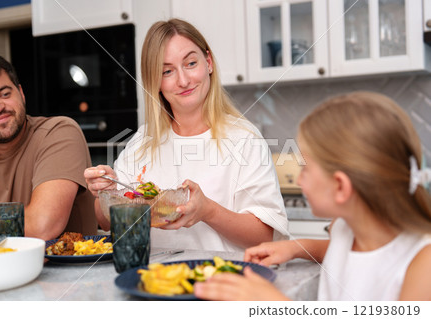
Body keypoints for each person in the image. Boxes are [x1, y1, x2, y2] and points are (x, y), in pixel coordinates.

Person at [194, 91, 431, 301]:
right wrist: (297, 247)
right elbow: (346, 253)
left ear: (340, 187)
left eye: (305, 168)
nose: (298, 180)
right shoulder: (344, 228)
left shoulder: (422, 267)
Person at [84, 18, 289, 252]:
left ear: (208, 62)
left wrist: (208, 211)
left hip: (220, 281)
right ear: (156, 82)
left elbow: (264, 237)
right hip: (152, 282)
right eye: (167, 71)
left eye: (191, 63)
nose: (183, 81)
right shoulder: (143, 141)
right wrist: (107, 194)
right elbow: (105, 222)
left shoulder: (244, 138)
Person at [0, 53, 97, 241]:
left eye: (4, 94)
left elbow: (43, 225)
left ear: (21, 93)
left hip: (66, 270)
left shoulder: (58, 132)